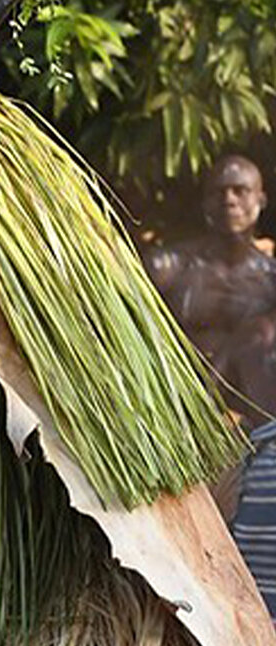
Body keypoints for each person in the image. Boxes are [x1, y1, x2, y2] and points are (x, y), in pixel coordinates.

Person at [145, 154, 276, 612]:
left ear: (260, 201)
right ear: (204, 203)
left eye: (241, 190)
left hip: (249, 445)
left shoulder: (270, 279)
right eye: (220, 191)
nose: (230, 199)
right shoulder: (170, 266)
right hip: (181, 427)